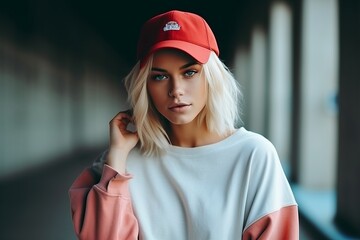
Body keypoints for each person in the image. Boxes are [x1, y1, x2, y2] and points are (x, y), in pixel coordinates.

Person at [69, 9, 299, 240]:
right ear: (144, 86)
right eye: (159, 76)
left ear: (211, 77)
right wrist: (117, 156)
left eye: (189, 72)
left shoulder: (254, 155)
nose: (176, 90)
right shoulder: (122, 163)